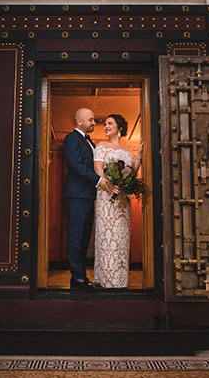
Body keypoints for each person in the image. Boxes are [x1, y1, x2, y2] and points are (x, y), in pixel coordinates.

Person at [62, 108, 110, 290]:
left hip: (88, 196)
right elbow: (75, 165)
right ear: (79, 121)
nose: (94, 123)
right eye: (91, 120)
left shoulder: (89, 141)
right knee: (76, 237)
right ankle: (78, 278)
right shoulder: (71, 138)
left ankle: (79, 277)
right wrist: (98, 180)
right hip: (76, 195)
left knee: (83, 238)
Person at [93, 114, 142, 289]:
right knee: (107, 238)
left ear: (119, 127)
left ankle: (120, 280)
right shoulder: (101, 146)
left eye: (110, 123)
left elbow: (131, 173)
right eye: (105, 124)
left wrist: (139, 156)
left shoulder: (127, 150)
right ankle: (106, 280)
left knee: (120, 239)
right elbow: (98, 168)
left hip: (123, 200)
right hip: (107, 198)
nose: (106, 126)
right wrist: (107, 185)